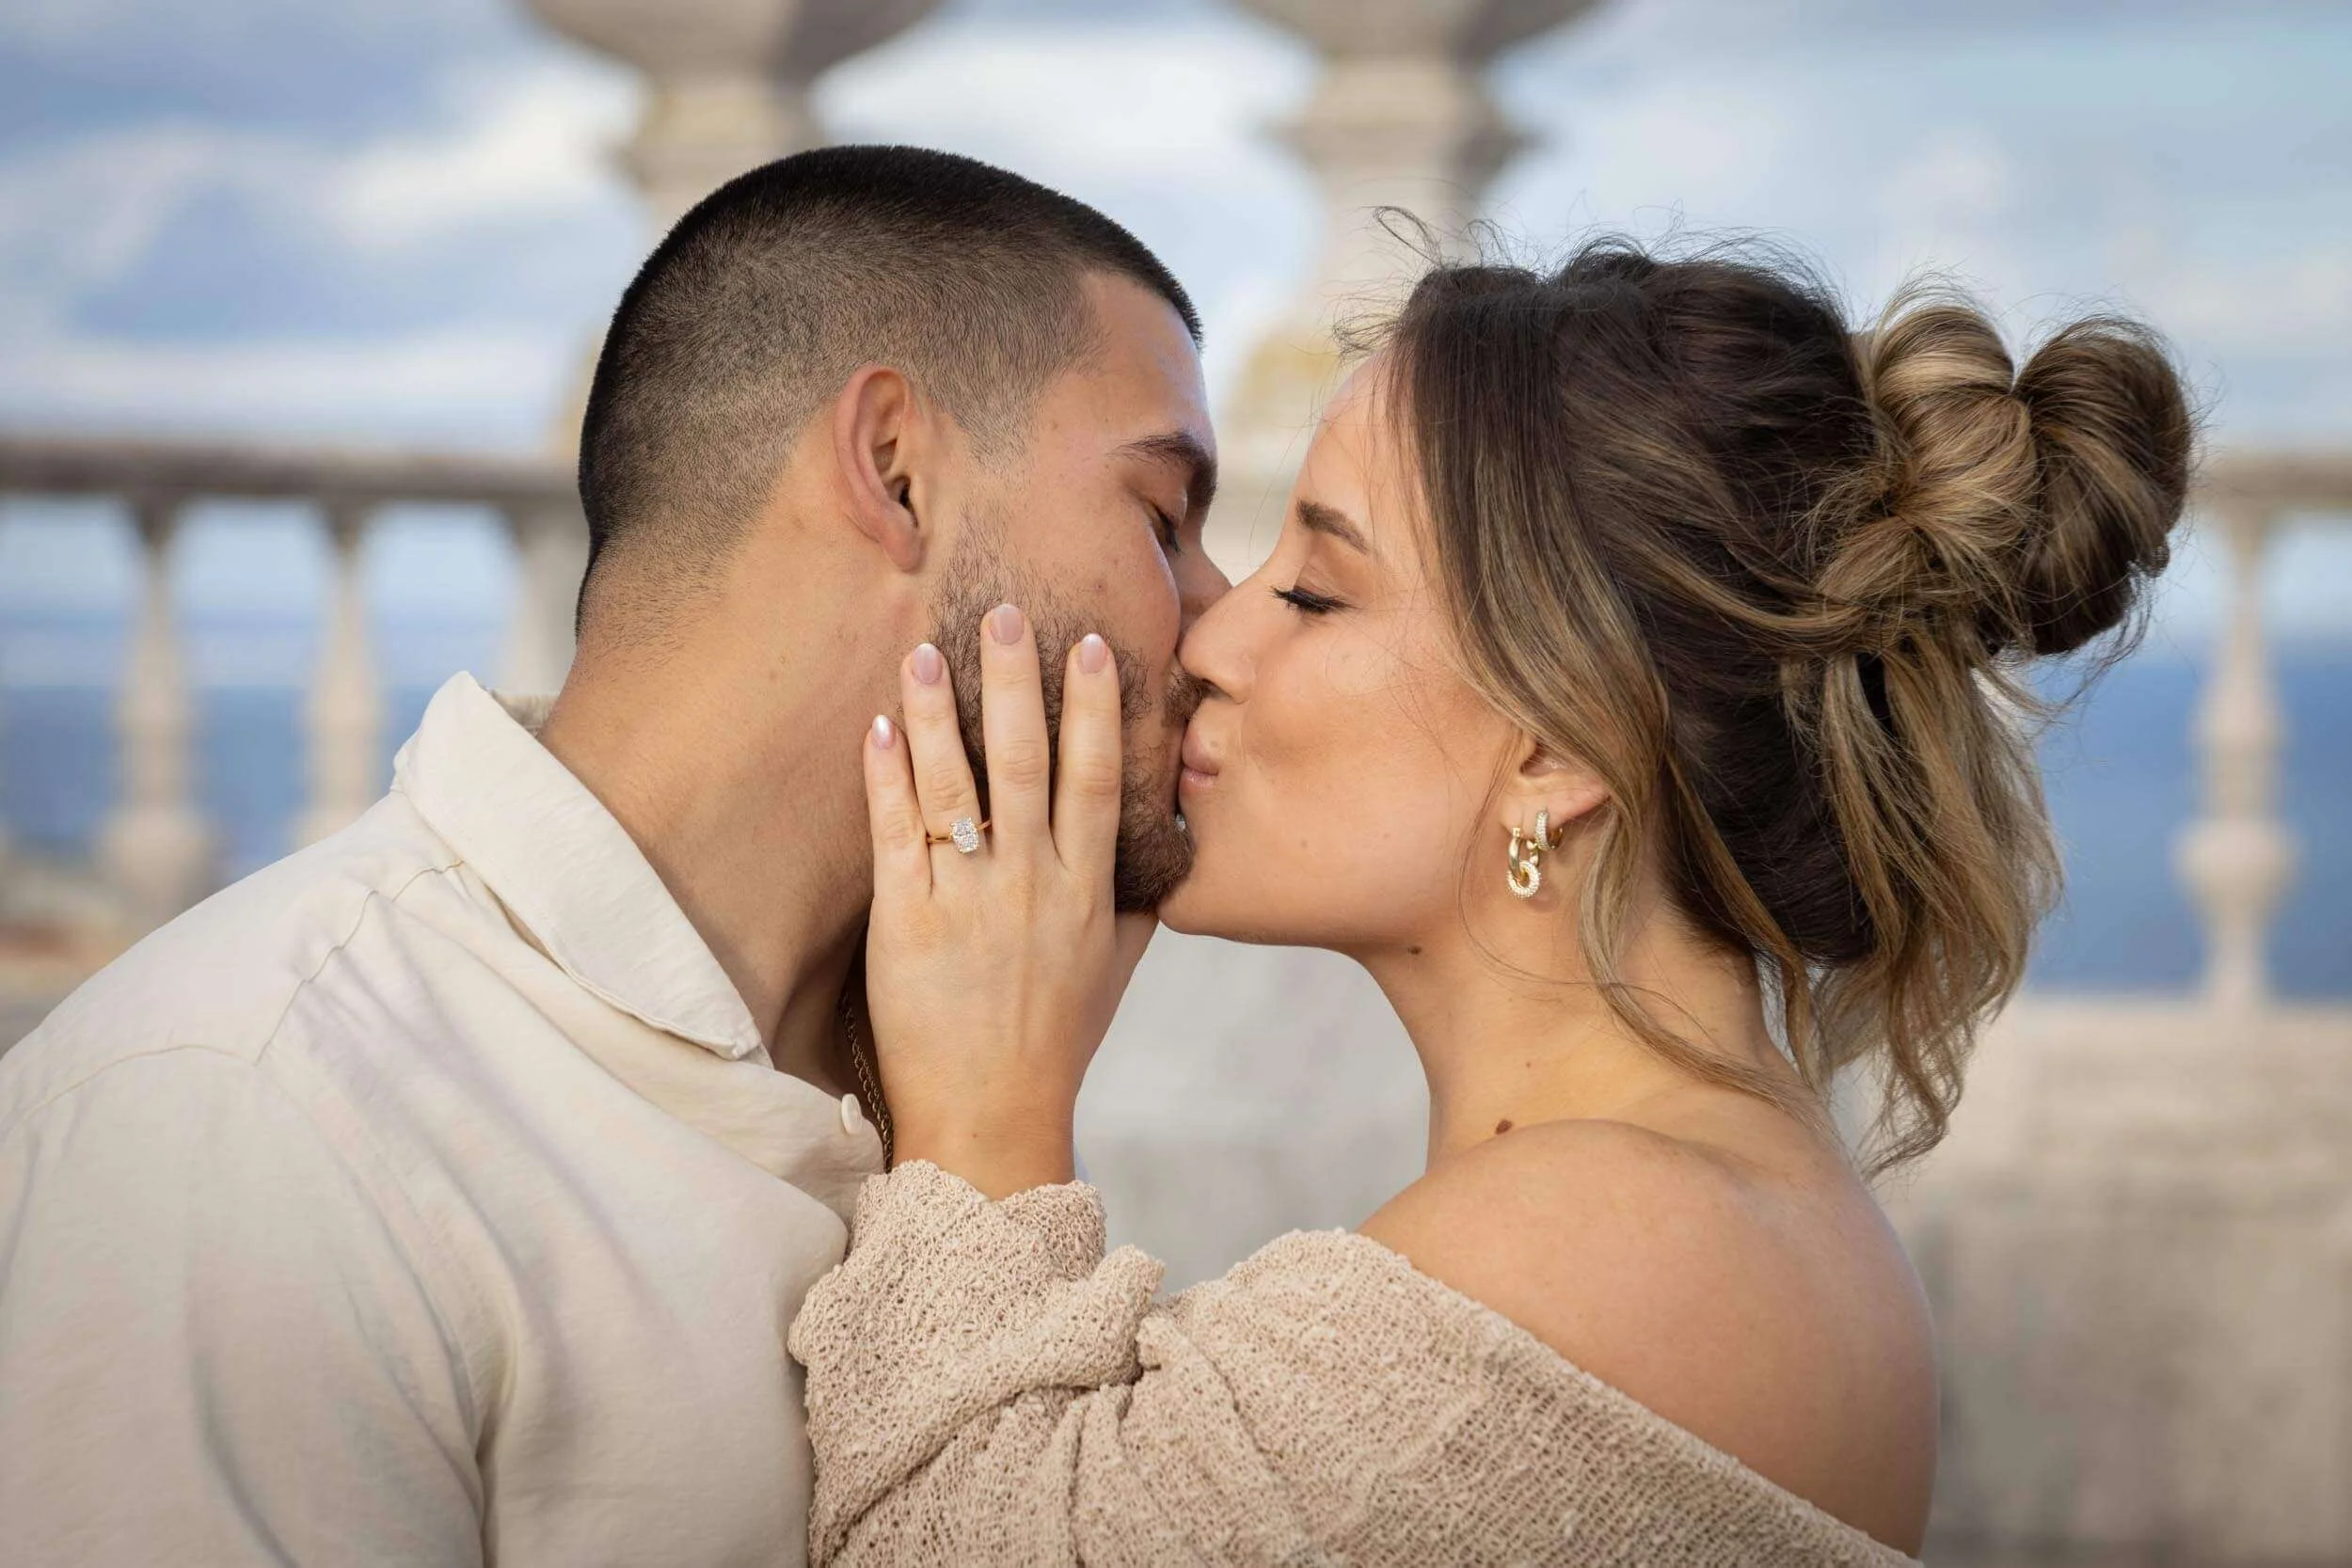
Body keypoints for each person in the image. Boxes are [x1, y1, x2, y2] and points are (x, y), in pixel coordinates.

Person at [789, 240, 2194, 1563]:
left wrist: (985, 1115)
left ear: (1556, 746)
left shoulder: (1617, 1242)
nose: (1211, 635)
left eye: (1319, 593)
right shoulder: (1697, 1204)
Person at [0, 146, 1225, 1564]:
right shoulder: (251, 1118)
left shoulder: (966, 1047)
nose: (1224, 616)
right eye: (1163, 518)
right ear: (894, 471)